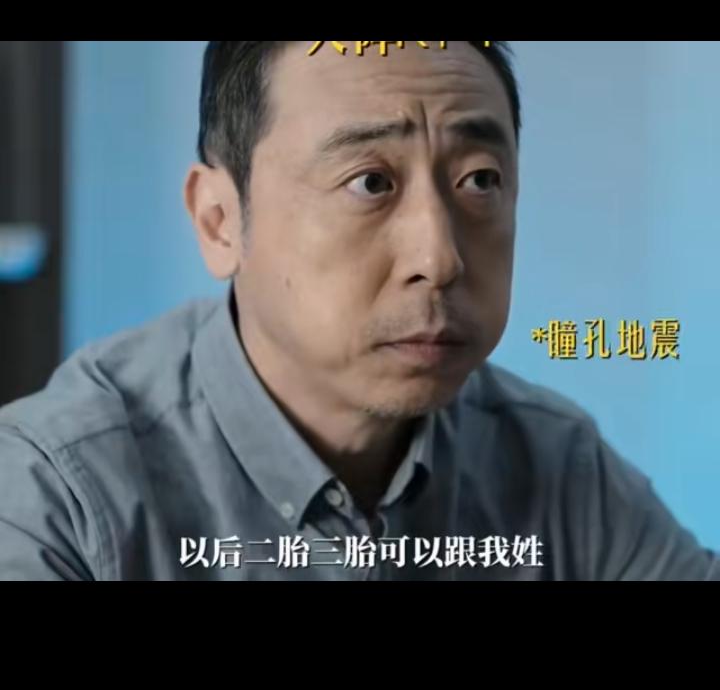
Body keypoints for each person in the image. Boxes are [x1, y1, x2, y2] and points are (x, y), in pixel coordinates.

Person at [0, 38, 717, 581]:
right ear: (220, 221)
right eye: (370, 181)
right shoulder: (57, 497)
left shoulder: (555, 467)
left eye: (480, 180)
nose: (439, 258)